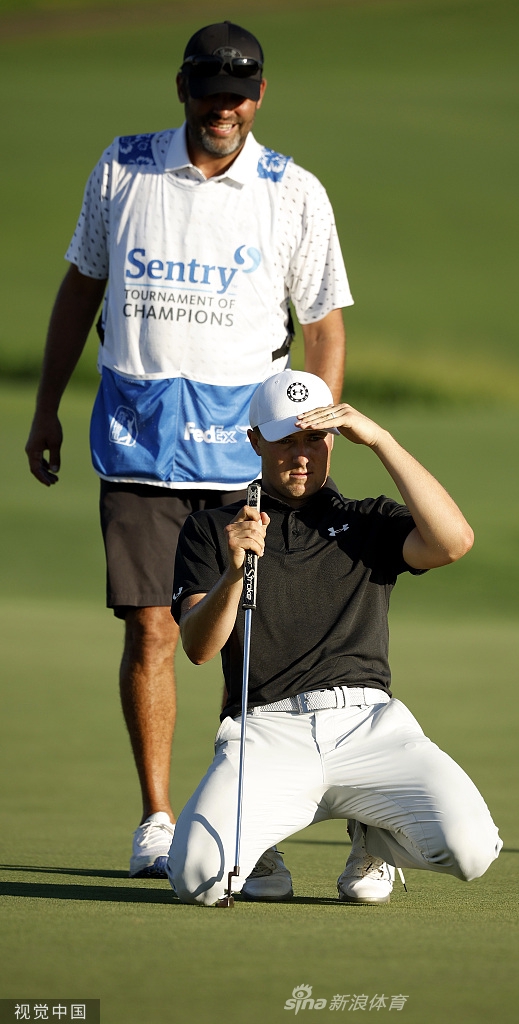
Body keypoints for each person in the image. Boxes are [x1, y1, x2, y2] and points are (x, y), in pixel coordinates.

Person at [24, 22, 352, 881]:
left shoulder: (292, 191)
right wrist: (47, 406)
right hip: (135, 442)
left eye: (240, 90)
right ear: (182, 87)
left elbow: (321, 325)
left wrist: (311, 432)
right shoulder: (124, 167)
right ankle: (160, 821)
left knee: (250, 646)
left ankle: (250, 824)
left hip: (243, 453)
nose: (225, 105)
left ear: (261, 97)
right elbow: (82, 285)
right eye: (210, 88)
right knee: (151, 631)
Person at [167, 370, 502, 905]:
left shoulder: (367, 521)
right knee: (196, 880)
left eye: (315, 438)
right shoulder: (215, 529)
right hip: (267, 732)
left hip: (370, 727)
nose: (302, 454)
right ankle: (260, 847)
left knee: (473, 850)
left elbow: (454, 542)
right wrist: (233, 573)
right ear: (255, 441)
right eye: (286, 440)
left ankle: (375, 836)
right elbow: (199, 648)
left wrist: (381, 440)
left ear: (334, 440)